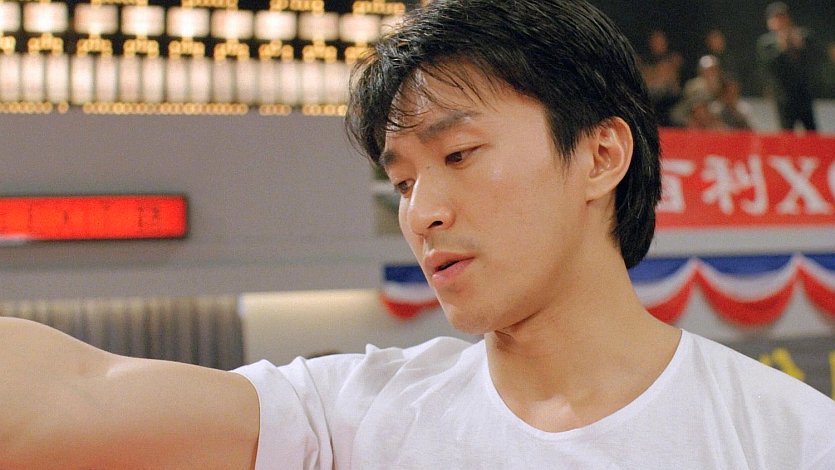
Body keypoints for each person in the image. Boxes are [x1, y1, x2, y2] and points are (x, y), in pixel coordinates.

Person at [2, 1, 834, 468]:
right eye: (401, 181)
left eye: (458, 155)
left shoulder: (785, 438)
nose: (421, 212)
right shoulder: (352, 417)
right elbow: (68, 398)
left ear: (600, 155)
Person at [757, 1, 820, 131]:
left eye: (783, 17)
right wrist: (782, 48)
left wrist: (800, 46)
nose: (781, 22)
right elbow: (769, 67)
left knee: (811, 132)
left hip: (803, 95)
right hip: (784, 97)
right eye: (776, 18)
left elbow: (814, 60)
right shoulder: (766, 43)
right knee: (787, 133)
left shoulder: (802, 36)